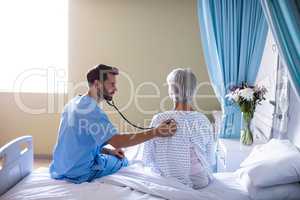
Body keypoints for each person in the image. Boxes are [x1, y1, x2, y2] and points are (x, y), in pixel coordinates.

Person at [49, 64, 177, 183]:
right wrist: (157, 132)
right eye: (112, 84)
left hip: (59, 168)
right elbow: (118, 142)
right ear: (97, 84)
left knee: (113, 153)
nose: (116, 89)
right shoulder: (92, 110)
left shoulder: (74, 103)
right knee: (123, 161)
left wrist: (108, 151)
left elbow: (78, 142)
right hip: (79, 172)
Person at [142, 68, 215, 189]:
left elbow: (149, 156)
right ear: (193, 91)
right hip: (200, 180)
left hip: (171, 179)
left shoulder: (159, 119)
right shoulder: (203, 120)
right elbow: (210, 156)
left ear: (171, 91)